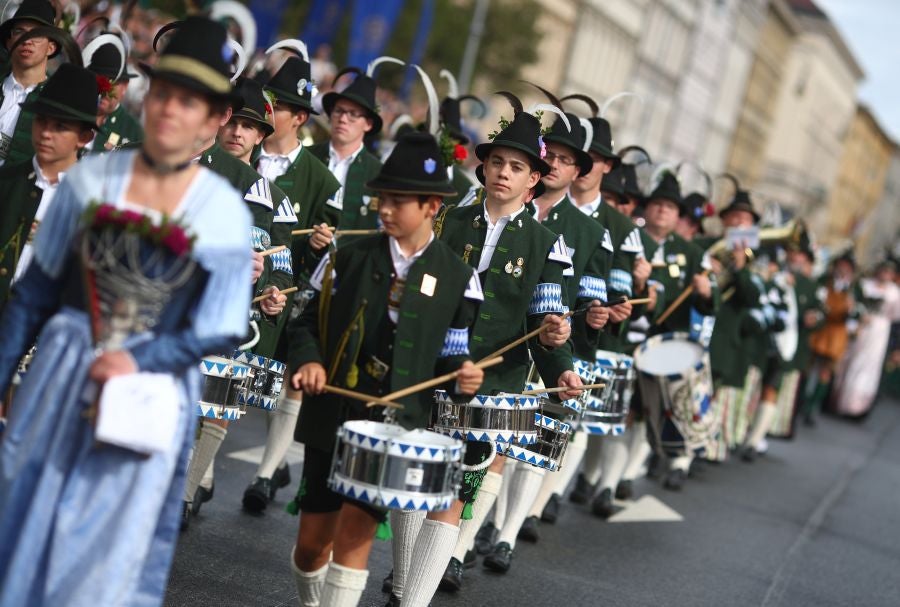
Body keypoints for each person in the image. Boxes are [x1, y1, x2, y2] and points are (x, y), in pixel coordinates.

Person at [0, 16, 251, 604]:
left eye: (189, 102)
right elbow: (34, 292)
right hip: (61, 371)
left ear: (214, 119)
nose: (168, 110)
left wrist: (139, 358)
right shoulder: (93, 179)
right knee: (23, 512)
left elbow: (221, 324)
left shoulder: (222, 212)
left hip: (148, 388)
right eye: (163, 92)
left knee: (107, 539)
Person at [287, 132, 485, 607]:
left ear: (432, 205)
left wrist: (464, 379)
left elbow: (453, 356)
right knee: (313, 545)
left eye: (399, 201)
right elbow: (304, 322)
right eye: (382, 198)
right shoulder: (348, 255)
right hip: (332, 410)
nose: (385, 209)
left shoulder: (459, 277)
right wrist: (310, 359)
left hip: (391, 426)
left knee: (354, 541)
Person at [395, 105, 579, 602]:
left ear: (535, 179)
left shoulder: (546, 244)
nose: (504, 172)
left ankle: (413, 598)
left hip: (494, 384)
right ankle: (406, 576)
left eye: (517, 167)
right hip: (430, 369)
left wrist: (560, 360)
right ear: (485, 166)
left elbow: (545, 323)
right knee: (412, 478)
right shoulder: (449, 219)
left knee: (455, 489)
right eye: (498, 161)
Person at [182, 75, 297, 523]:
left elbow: (276, 260)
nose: (237, 132)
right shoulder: (184, 162)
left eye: (250, 127)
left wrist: (272, 290)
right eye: (234, 122)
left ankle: (188, 490)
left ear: (261, 136)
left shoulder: (264, 191)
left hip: (234, 314)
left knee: (217, 399)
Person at [511, 111, 610, 543]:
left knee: (534, 450)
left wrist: (594, 313)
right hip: (499, 343)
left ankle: (506, 537)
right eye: (550, 154)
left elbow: (592, 295)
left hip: (553, 349)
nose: (554, 164)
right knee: (486, 449)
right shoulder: (508, 208)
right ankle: (461, 543)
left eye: (567, 160)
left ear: (577, 172)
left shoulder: (591, 231)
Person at [641, 171, 716, 490]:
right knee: (628, 416)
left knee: (653, 412)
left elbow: (711, 308)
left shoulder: (693, 255)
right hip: (628, 335)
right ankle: (597, 481)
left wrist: (705, 292)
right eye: (656, 204)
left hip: (667, 341)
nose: (661, 211)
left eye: (670, 207)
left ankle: (669, 463)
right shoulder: (632, 237)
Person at [0, 64, 96, 305]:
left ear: (84, 138)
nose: (45, 133)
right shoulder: (7, 181)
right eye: (41, 120)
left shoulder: (91, 205)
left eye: (60, 127)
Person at [703, 189, 764, 461]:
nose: (740, 223)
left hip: (723, 340)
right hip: (697, 329)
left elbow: (752, 297)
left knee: (709, 397)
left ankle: (695, 451)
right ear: (725, 220)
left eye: (746, 219)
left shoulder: (753, 260)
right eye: (735, 217)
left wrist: (739, 268)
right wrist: (707, 268)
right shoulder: (708, 245)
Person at [308, 66, 383, 236]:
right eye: (339, 111)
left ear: (368, 124)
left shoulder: (378, 173)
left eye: (353, 114)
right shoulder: (308, 156)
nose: (343, 119)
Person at [767, 244, 824, 437]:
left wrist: (813, 318)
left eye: (802, 255)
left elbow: (819, 311)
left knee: (778, 386)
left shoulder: (810, 285)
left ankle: (766, 431)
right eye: (794, 253)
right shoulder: (776, 275)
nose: (797, 258)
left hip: (792, 345)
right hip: (766, 340)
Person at [830, 260, 900, 417]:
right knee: (849, 359)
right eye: (883, 270)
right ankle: (839, 399)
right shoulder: (865, 285)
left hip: (878, 332)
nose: (885, 275)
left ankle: (857, 405)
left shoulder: (894, 292)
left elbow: (894, 316)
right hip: (861, 328)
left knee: (867, 365)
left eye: (889, 272)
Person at [0, 0, 60, 166]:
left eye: (37, 34)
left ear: (51, 47)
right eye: (20, 32)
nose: (27, 40)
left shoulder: (57, 103)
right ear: (9, 42)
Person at [804, 253, 859, 425]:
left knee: (825, 372)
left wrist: (852, 311)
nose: (842, 270)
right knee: (807, 367)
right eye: (840, 266)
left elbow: (855, 315)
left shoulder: (852, 289)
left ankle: (812, 408)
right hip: (820, 330)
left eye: (846, 268)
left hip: (836, 335)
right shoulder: (824, 282)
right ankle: (801, 402)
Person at [84, 33, 144, 151]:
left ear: (125, 86)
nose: (104, 90)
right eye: (99, 81)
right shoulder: (73, 113)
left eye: (113, 82)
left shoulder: (133, 132)